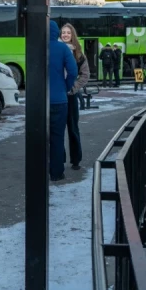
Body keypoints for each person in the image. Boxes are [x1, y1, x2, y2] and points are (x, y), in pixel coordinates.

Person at [48, 20, 78, 182]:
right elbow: (73, 71)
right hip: (59, 101)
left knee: (40, 138)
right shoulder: (63, 48)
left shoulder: (36, 47)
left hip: (39, 103)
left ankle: (39, 168)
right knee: (57, 137)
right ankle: (57, 173)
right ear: (57, 33)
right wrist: (65, 87)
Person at [61, 24, 90, 171]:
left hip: (71, 96)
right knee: (58, 130)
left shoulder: (79, 54)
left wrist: (74, 88)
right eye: (63, 32)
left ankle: (76, 159)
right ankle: (59, 159)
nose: (66, 35)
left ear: (73, 35)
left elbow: (85, 75)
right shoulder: (54, 50)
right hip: (58, 96)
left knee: (73, 128)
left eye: (68, 32)